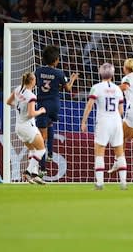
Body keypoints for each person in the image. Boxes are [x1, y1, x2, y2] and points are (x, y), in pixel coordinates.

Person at [81, 63, 127, 190]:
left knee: (99, 152)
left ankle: (100, 183)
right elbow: (121, 110)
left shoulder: (96, 87)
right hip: (116, 121)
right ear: (113, 74)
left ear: (100, 73)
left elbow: (89, 105)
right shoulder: (118, 89)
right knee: (119, 152)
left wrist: (84, 121)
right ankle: (123, 183)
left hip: (103, 122)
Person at [35, 45, 78, 176]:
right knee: (50, 124)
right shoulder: (59, 73)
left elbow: (38, 84)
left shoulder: (38, 71)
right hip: (54, 104)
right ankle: (50, 152)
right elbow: (68, 89)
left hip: (42, 104)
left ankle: (42, 168)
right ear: (56, 60)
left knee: (41, 138)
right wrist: (72, 79)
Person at [6, 72, 46, 185]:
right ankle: (28, 172)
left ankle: (35, 175)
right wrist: (41, 111)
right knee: (42, 150)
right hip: (28, 126)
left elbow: (8, 102)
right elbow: (31, 113)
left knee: (33, 150)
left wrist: (20, 107)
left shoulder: (18, 89)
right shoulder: (31, 96)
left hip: (18, 127)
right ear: (32, 81)